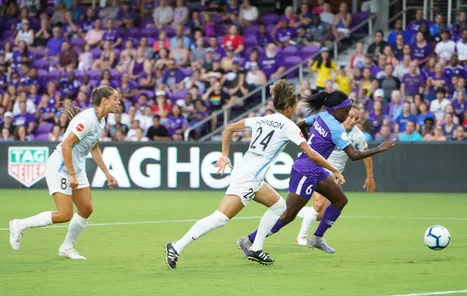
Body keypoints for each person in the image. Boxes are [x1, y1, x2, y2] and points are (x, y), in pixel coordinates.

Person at [164, 80, 345, 269]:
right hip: (249, 177)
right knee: (220, 218)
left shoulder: (263, 119)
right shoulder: (288, 125)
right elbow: (312, 154)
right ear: (290, 107)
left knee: (278, 205)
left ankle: (256, 248)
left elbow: (229, 129)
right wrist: (333, 169)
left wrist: (225, 155)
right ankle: (176, 246)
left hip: (249, 173)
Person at [237, 91, 396, 258]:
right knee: (288, 215)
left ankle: (317, 238)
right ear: (336, 110)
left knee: (340, 200)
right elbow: (354, 155)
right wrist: (379, 149)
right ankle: (248, 240)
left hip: (316, 170)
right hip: (305, 172)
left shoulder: (321, 116)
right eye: (346, 111)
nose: (348, 114)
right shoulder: (336, 128)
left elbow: (300, 124)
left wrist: (306, 143)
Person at [8, 87, 120, 260]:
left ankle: (67, 247)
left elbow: (94, 147)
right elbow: (66, 145)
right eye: (115, 98)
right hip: (61, 167)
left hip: (75, 168)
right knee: (64, 214)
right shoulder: (87, 119)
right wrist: (72, 174)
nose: (118, 102)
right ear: (104, 100)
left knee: (86, 208)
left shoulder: (101, 120)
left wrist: (107, 173)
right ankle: (19, 225)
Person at [295, 103, 376, 245]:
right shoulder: (330, 125)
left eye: (356, 118)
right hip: (317, 167)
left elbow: (366, 155)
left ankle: (291, 210)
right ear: (344, 114)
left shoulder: (358, 135)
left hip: (335, 175)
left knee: (320, 215)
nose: (352, 120)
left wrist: (370, 176)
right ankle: (301, 237)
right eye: (350, 116)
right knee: (319, 204)